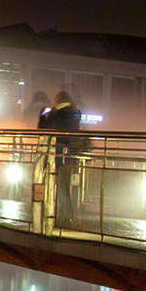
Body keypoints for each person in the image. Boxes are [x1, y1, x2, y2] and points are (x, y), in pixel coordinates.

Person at [39, 91, 84, 226]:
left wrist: (42, 115)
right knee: (64, 186)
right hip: (69, 156)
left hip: (56, 155)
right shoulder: (75, 114)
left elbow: (42, 130)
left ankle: (59, 216)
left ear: (57, 101)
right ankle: (66, 215)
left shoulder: (56, 115)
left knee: (54, 185)